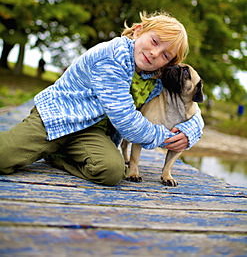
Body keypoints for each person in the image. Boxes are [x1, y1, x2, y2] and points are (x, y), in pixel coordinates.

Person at [0, 11, 204, 186]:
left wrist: (190, 131)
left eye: (166, 56)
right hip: (56, 118)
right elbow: (125, 119)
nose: (155, 53)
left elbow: (191, 107)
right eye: (154, 41)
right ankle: (50, 146)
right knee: (3, 157)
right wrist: (166, 138)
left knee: (112, 172)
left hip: (92, 131)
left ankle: (58, 155)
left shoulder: (156, 77)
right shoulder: (112, 57)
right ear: (138, 31)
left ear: (168, 65)